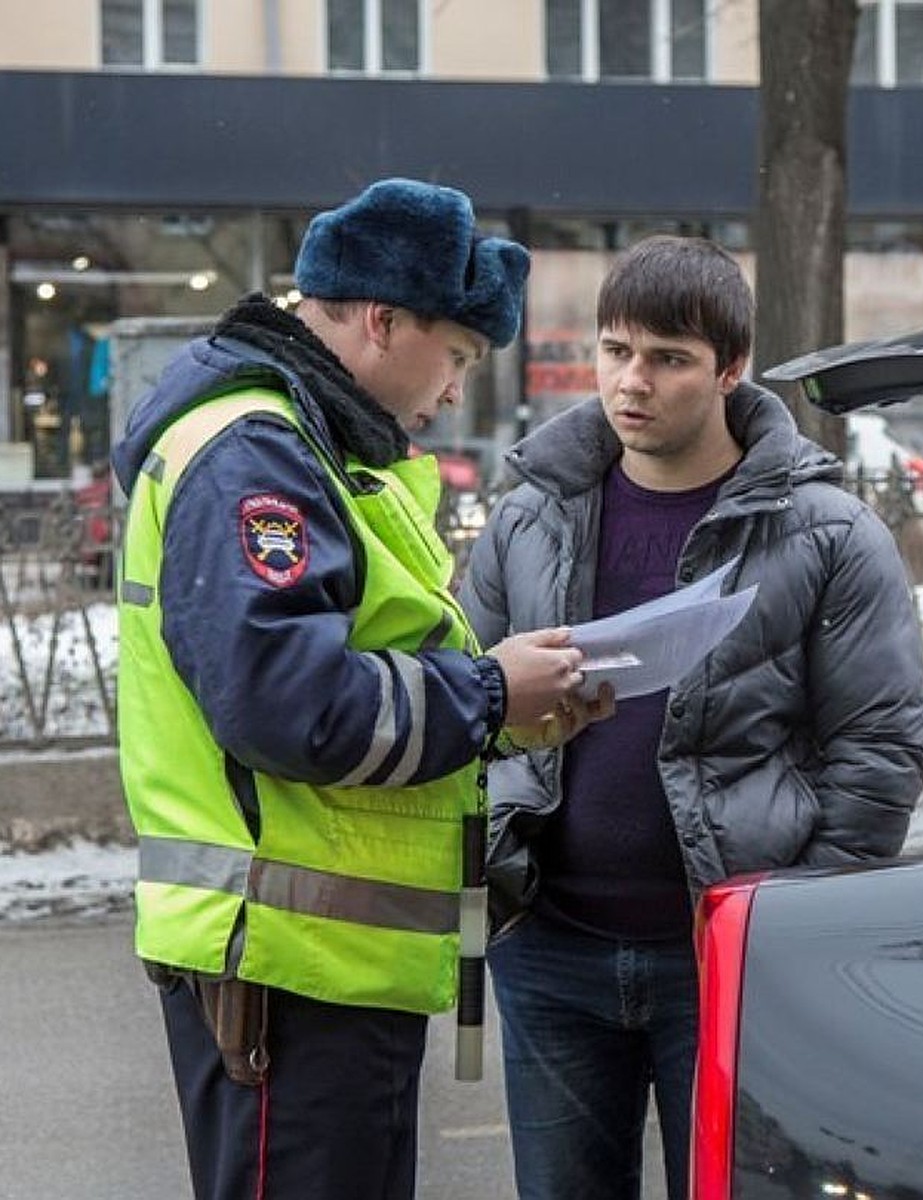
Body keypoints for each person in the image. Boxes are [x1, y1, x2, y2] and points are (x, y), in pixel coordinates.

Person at [111, 178, 596, 1200]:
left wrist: (507, 712)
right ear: (382, 321)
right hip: (289, 979)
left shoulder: (309, 448)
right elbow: (291, 707)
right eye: (459, 355)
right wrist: (486, 698)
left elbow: (373, 670)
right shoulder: (259, 454)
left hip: (325, 969)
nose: (458, 389)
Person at [458, 234, 923, 1200]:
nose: (633, 382)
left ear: (730, 369)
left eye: (669, 359)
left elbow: (879, 751)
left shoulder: (824, 531)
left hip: (727, 960)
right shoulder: (531, 515)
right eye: (616, 350)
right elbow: (471, 701)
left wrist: (789, 927)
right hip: (549, 950)